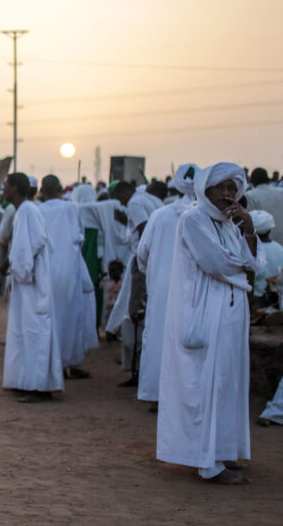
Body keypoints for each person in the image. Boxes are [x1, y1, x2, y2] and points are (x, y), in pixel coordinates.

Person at [157, 163, 259, 484]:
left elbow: (254, 264)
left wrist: (249, 229)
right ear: (206, 189)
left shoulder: (230, 224)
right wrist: (243, 267)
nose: (228, 195)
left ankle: (223, 449)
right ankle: (207, 464)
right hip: (205, 312)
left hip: (230, 313)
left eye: (232, 188)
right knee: (208, 384)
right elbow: (216, 263)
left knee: (229, 382)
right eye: (221, 188)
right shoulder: (194, 219)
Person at [136, 164, 197, 406]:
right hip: (196, 291)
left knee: (159, 338)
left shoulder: (160, 215)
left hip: (162, 289)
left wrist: (154, 276)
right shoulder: (208, 216)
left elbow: (142, 253)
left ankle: (157, 396)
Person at [1, 173, 62, 403]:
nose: (3, 190)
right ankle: (25, 381)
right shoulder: (25, 211)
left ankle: (39, 387)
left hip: (32, 281)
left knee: (35, 331)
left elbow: (33, 244)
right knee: (24, 331)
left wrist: (20, 270)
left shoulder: (28, 210)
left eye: (6, 186)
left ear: (15, 189)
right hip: (26, 280)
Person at [39, 175, 97, 380]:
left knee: (51, 318)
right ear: (61, 189)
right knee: (72, 316)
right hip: (70, 269)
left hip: (46, 269)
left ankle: (57, 364)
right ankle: (71, 361)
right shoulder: (71, 208)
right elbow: (79, 235)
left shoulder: (38, 210)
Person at [247, 167, 283, 246]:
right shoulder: (281, 192)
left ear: (252, 181)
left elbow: (250, 222)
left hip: (266, 244)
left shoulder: (250, 196)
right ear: (267, 179)